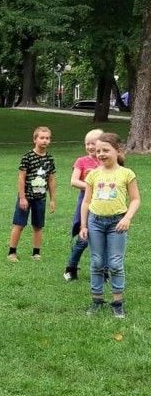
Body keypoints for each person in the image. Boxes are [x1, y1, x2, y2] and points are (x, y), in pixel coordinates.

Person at [79, 133, 140, 318]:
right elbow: (86, 202)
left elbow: (136, 199)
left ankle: (117, 302)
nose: (101, 154)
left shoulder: (126, 174)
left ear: (117, 150)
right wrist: (83, 225)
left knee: (115, 264)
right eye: (98, 151)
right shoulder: (93, 175)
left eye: (106, 150)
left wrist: (127, 218)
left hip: (117, 224)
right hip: (95, 222)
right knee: (97, 262)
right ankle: (97, 300)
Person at [7, 126, 56, 262]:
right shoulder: (27, 157)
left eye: (47, 138)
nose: (44, 141)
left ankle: (36, 252)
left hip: (40, 198)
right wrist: (22, 197)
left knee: (38, 225)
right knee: (19, 224)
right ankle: (12, 252)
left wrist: (52, 199)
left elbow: (51, 179)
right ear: (35, 139)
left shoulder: (50, 159)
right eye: (42, 138)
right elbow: (21, 178)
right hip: (27, 196)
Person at [63, 129, 102, 281]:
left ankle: (103, 272)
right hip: (85, 204)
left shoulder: (107, 160)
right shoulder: (81, 161)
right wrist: (91, 186)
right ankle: (71, 268)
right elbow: (74, 181)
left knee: (102, 238)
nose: (90, 146)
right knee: (83, 238)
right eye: (87, 144)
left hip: (103, 205)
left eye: (93, 143)